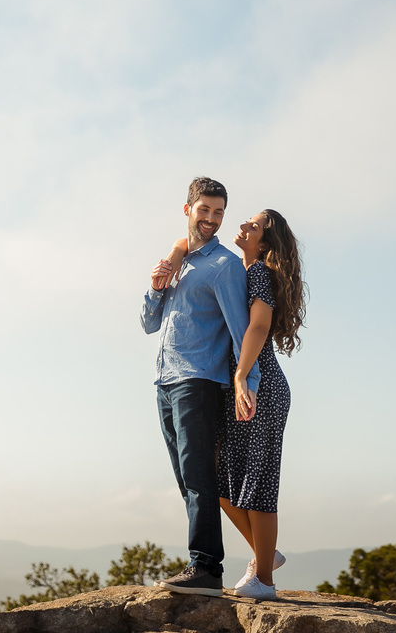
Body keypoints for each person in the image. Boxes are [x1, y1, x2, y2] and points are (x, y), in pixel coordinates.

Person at [161, 209, 306, 600]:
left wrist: (243, 376)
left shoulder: (258, 272)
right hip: (236, 389)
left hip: (261, 388)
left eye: (254, 226)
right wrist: (175, 257)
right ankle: (265, 557)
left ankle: (265, 582)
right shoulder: (241, 271)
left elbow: (258, 326)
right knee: (223, 485)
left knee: (257, 485)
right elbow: (183, 242)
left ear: (265, 242)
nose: (243, 226)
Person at [140, 177, 256, 597]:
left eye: (218, 212)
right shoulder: (178, 263)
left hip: (200, 381)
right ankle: (202, 562)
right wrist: (155, 288)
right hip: (165, 381)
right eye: (204, 209)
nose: (211, 219)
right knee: (184, 478)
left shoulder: (224, 266)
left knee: (199, 477)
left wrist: (249, 382)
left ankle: (206, 567)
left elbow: (244, 333)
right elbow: (149, 323)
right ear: (187, 209)